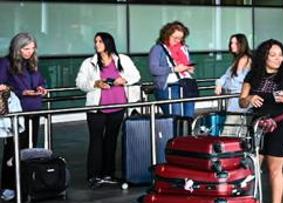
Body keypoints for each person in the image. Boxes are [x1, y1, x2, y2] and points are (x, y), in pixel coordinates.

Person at [239, 39, 283, 203]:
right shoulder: (252, 76)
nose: (277, 58)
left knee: (274, 168)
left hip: (282, 124)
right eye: (273, 55)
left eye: (280, 54)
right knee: (252, 167)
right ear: (264, 56)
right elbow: (242, 101)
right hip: (258, 126)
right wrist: (249, 98)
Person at [75, 32, 140, 189]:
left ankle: (108, 173)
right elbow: (80, 83)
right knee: (96, 141)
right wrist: (95, 83)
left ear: (108, 43)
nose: (97, 44)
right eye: (96, 41)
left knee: (111, 140)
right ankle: (94, 175)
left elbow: (136, 76)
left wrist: (124, 80)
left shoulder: (123, 59)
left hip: (117, 106)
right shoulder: (89, 63)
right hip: (97, 109)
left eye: (100, 41)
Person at [0, 32, 48, 154]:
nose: (30, 52)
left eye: (32, 48)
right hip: (17, 111)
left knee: (30, 147)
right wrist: (22, 92)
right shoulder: (5, 63)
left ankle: (26, 173)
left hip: (34, 109)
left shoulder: (32, 62)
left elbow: (40, 80)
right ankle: (11, 173)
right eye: (26, 49)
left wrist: (41, 88)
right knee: (14, 149)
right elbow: (1, 86)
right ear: (17, 48)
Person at [149, 21, 197, 119]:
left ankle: (186, 134)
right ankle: (176, 134)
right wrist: (173, 69)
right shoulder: (158, 49)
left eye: (180, 38)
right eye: (175, 38)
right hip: (169, 86)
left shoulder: (183, 49)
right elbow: (153, 69)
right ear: (166, 35)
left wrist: (188, 68)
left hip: (186, 83)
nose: (178, 41)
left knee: (189, 116)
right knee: (175, 117)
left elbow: (187, 62)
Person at [215, 33, 252, 114]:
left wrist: (221, 83)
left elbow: (234, 82)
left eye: (235, 43)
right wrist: (220, 83)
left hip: (238, 98)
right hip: (235, 98)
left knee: (231, 124)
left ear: (241, 44)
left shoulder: (244, 59)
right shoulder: (238, 59)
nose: (232, 45)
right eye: (231, 43)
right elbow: (228, 76)